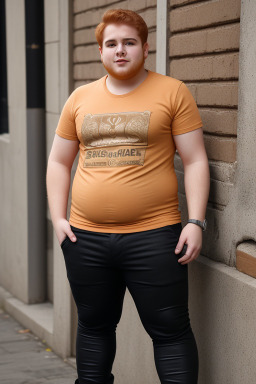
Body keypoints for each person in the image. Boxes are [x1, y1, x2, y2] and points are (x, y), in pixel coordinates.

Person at [46, 8, 210, 384]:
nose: (120, 50)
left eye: (129, 42)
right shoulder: (79, 99)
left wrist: (196, 221)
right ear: (101, 52)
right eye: (112, 44)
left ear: (145, 48)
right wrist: (59, 220)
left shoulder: (172, 91)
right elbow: (58, 162)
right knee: (93, 327)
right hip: (85, 238)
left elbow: (196, 159)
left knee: (170, 330)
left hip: (155, 237)